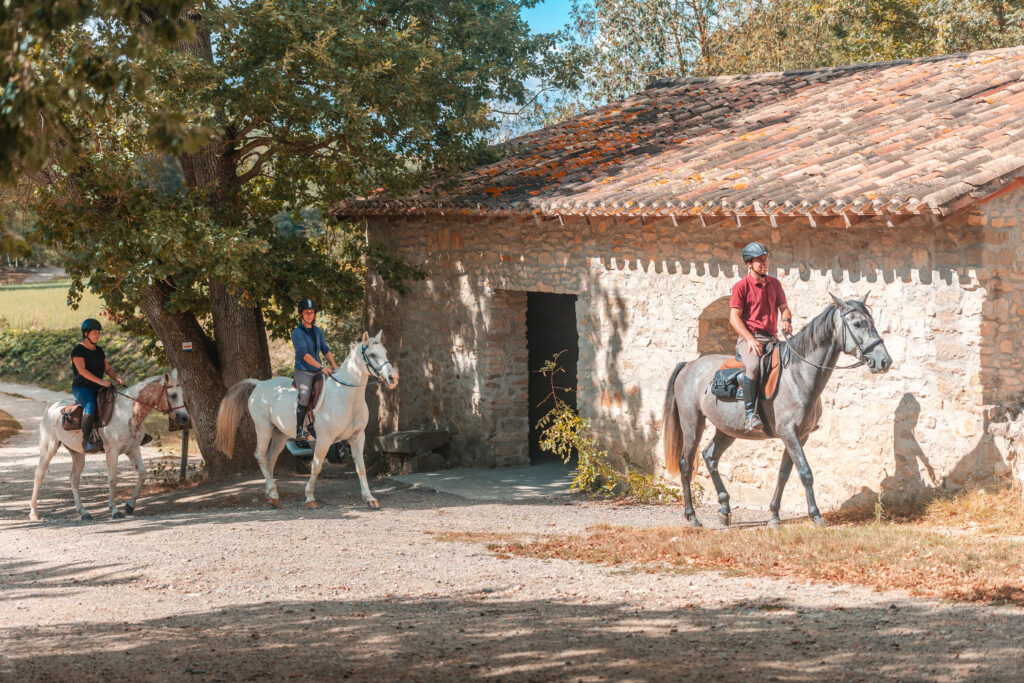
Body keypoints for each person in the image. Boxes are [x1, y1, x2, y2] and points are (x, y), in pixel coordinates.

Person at [729, 242, 793, 430]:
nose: (765, 263)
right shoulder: (741, 286)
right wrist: (750, 339)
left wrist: (786, 320)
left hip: (772, 338)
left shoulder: (775, 284)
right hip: (749, 338)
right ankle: (750, 415)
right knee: (754, 367)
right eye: (759, 260)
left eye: (765, 258)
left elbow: (784, 307)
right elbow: (734, 318)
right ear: (749, 263)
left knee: (789, 362)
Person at [71, 318, 125, 453]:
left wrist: (116, 378)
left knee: (119, 401)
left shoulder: (99, 350)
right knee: (90, 408)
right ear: (86, 334)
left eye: (98, 333)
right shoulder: (78, 351)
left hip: (98, 387)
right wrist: (101, 382)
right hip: (82, 388)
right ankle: (87, 441)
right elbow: (82, 371)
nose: (97, 335)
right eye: (94, 333)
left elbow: (108, 368)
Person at [292, 298, 337, 445]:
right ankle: (299, 429)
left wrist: (334, 365)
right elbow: (305, 355)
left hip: (318, 370)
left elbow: (325, 349)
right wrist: (322, 367)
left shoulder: (317, 331)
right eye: (306, 312)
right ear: (301, 314)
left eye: (311, 312)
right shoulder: (297, 333)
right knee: (305, 395)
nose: (309, 315)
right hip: (303, 371)